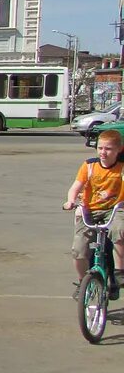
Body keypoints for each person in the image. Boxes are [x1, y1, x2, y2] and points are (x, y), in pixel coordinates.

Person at [64, 128, 124, 298]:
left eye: (108, 149)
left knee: (119, 230)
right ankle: (82, 281)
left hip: (114, 210)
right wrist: (70, 201)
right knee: (78, 249)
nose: (103, 152)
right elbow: (76, 187)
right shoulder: (89, 165)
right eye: (100, 148)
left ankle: (119, 273)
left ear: (118, 150)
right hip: (89, 210)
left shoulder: (121, 168)